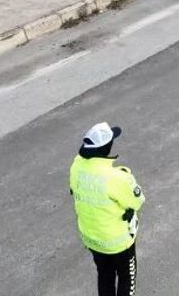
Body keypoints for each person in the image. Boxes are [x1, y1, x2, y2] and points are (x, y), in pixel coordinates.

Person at [70, 122, 145, 296]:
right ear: (108, 147)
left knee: (105, 276)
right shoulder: (117, 177)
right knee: (127, 278)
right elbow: (138, 201)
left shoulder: (76, 168)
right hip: (119, 244)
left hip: (93, 240)